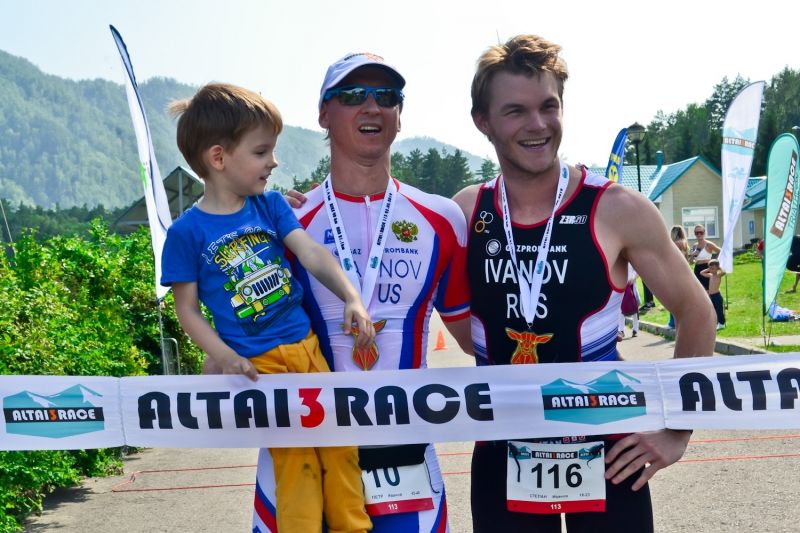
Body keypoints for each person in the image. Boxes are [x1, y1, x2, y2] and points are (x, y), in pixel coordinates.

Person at [453, 34, 716, 532]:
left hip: (608, 449)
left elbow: (696, 311)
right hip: (503, 448)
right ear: (482, 121)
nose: (537, 125)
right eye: (515, 111)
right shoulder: (466, 211)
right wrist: (294, 218)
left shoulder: (618, 208)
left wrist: (676, 430)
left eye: (548, 106)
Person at [252, 53, 472, 533]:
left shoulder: (442, 219)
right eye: (353, 96)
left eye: (386, 96)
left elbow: (477, 339)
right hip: (306, 449)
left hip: (407, 455)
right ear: (323, 114)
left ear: (399, 115)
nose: (372, 107)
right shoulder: (280, 223)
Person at [161, 83, 374, 533]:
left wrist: (351, 297)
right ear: (218, 158)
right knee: (296, 461)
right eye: (261, 152)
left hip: (307, 349)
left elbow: (310, 252)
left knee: (340, 447)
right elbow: (187, 311)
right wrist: (224, 356)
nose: (273, 162)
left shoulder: (270, 206)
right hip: (261, 368)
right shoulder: (185, 233)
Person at [667, 225, 691, 329]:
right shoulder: (685, 243)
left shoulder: (675, 244)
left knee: (672, 299)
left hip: (675, 272)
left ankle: (672, 323)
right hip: (684, 273)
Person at [690, 224, 720, 290]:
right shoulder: (694, 246)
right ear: (694, 234)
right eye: (697, 233)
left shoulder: (708, 244)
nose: (699, 234)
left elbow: (720, 251)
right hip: (697, 269)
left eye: (701, 232)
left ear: (704, 233)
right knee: (698, 290)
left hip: (707, 268)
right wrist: (692, 255)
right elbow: (691, 262)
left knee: (708, 290)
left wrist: (715, 263)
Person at [701, 259, 726, 329]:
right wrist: (709, 269)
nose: (711, 270)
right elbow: (701, 273)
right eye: (710, 268)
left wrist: (719, 267)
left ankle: (722, 323)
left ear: (717, 268)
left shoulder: (718, 275)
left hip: (717, 295)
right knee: (714, 310)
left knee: (719, 310)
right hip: (711, 296)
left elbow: (724, 271)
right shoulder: (710, 275)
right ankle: (717, 322)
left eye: (713, 268)